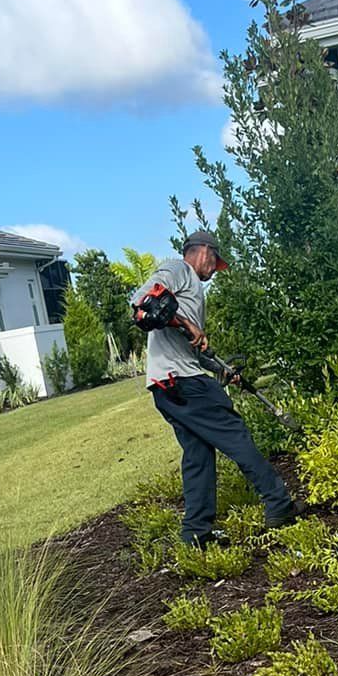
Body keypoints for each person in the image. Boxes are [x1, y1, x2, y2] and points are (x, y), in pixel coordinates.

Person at [132, 230, 295, 548]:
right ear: (204, 252)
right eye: (214, 263)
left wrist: (222, 369)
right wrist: (188, 324)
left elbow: (190, 348)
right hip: (184, 382)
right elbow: (144, 300)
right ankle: (279, 504)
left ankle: (196, 534)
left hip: (166, 385)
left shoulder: (191, 292)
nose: (212, 272)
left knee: (198, 455)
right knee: (236, 436)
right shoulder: (179, 270)